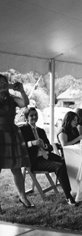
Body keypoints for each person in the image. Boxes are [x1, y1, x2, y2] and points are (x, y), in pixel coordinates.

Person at [20, 107, 78, 205]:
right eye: (31, 115)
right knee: (59, 167)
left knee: (66, 162)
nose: (34, 117)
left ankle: (77, 189)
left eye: (35, 115)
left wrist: (44, 145)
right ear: (26, 118)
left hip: (46, 155)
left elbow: (50, 147)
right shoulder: (22, 129)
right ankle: (69, 197)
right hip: (35, 160)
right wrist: (31, 143)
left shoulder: (41, 131)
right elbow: (18, 146)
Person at [0, 75, 33, 208]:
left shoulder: (11, 98)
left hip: (11, 134)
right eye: (0, 83)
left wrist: (22, 91)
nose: (2, 85)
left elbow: (25, 103)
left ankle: (22, 196)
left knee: (16, 168)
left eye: (4, 83)